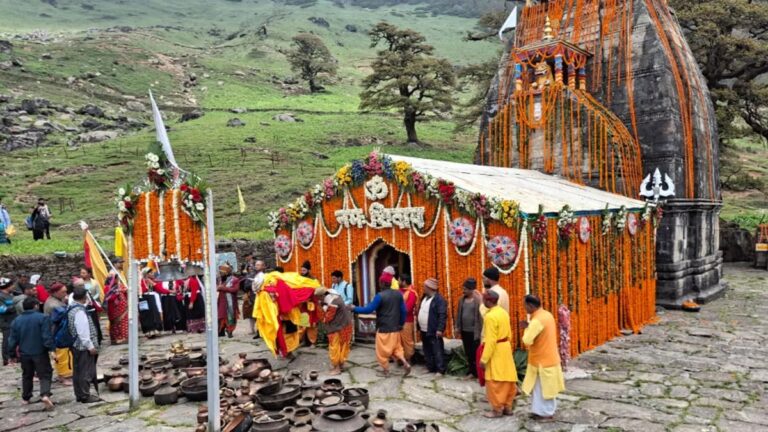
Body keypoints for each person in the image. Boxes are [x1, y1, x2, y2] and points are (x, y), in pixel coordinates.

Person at [352, 272, 411, 377]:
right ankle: (405, 362)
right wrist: (401, 324)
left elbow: (368, 309)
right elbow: (404, 311)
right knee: (397, 348)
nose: (379, 284)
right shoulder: (398, 294)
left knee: (382, 352)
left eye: (380, 282)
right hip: (395, 328)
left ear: (383, 283)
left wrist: (354, 308)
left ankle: (386, 371)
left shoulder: (380, 296)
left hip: (383, 329)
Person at [521, 295, 565, 421]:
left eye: (525, 305)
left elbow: (527, 340)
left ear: (530, 306)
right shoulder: (547, 314)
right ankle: (538, 411)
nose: (524, 308)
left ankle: (546, 413)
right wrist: (529, 326)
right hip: (548, 358)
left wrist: (526, 328)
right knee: (540, 388)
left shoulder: (536, 321)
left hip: (542, 361)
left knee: (544, 389)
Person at [8, 297, 55, 410]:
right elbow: (46, 336)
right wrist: (51, 349)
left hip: (24, 353)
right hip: (39, 352)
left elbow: (12, 339)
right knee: (45, 374)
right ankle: (44, 394)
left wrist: (11, 354)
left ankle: (26, 397)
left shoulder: (17, 320)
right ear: (35, 306)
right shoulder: (42, 318)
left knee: (27, 375)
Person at [480, 290, 517, 418]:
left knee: (493, 381)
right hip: (505, 347)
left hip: (495, 350)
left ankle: (497, 409)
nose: (482, 301)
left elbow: (490, 340)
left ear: (488, 301)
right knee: (508, 378)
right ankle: (508, 407)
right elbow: (510, 334)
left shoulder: (490, 317)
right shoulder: (503, 313)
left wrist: (484, 359)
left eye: (483, 299)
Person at [68, 287, 100, 403]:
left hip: (76, 345)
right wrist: (90, 346)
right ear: (84, 297)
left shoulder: (71, 308)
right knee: (85, 371)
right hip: (82, 346)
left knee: (78, 371)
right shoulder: (79, 312)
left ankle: (79, 394)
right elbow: (83, 332)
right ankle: (85, 395)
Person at [317, 287, 353, 375]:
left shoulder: (333, 303)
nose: (318, 300)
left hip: (337, 328)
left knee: (335, 348)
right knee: (343, 346)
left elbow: (327, 318)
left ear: (322, 296)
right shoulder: (336, 295)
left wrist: (320, 308)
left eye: (318, 298)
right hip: (346, 325)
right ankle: (341, 365)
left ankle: (337, 368)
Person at [43, 282, 73, 384]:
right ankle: (63, 377)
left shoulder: (56, 300)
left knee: (65, 354)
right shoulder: (53, 305)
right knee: (61, 355)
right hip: (57, 332)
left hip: (60, 331)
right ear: (55, 292)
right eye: (63, 292)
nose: (65, 293)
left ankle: (66, 374)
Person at [417, 278, 447, 376]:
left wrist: (440, 329)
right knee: (427, 349)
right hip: (424, 329)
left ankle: (440, 370)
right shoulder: (424, 297)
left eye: (424, 287)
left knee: (437, 350)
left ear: (430, 288)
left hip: (434, 329)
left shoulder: (439, 300)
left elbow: (442, 315)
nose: (423, 289)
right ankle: (430, 367)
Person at [455, 277, 483, 379]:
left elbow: (480, 317)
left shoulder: (478, 300)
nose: (463, 290)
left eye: (465, 289)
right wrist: (457, 327)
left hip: (474, 332)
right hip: (464, 330)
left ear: (471, 289)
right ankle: (471, 370)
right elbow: (458, 314)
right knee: (468, 352)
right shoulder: (461, 300)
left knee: (474, 352)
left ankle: (476, 372)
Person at [104, 271, 128, 344]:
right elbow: (109, 299)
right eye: (116, 279)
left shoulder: (119, 286)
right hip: (114, 309)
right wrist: (116, 293)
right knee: (116, 324)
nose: (118, 281)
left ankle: (124, 337)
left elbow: (125, 292)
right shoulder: (107, 288)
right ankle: (117, 338)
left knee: (124, 322)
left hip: (123, 308)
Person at [243, 260, 266, 339]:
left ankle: (261, 331)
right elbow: (246, 285)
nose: (257, 266)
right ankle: (258, 331)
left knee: (261, 315)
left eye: (259, 265)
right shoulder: (253, 275)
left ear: (263, 266)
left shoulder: (263, 275)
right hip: (253, 297)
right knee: (255, 315)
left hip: (261, 297)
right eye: (256, 265)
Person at [298, 261, 319, 346]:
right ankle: (301, 340)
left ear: (308, 270)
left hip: (311, 305)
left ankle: (313, 342)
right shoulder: (298, 279)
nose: (302, 272)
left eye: (304, 270)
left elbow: (317, 291)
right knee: (303, 323)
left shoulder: (313, 280)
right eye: (301, 270)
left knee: (312, 324)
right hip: (302, 306)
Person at [398, 274, 418, 362]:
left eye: (399, 280)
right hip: (397, 321)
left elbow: (408, 309)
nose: (397, 282)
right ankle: (400, 359)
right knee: (398, 341)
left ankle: (408, 359)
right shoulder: (398, 291)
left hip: (407, 321)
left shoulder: (412, 293)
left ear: (404, 282)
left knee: (407, 342)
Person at [217, 263, 240, 338]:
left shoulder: (235, 279)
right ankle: (221, 331)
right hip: (221, 301)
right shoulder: (220, 280)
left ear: (226, 272)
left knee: (230, 316)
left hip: (231, 302)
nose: (220, 274)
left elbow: (235, 290)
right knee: (221, 316)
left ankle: (230, 330)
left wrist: (223, 288)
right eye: (220, 272)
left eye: (222, 272)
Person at [139, 268, 163, 337]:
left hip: (151, 298)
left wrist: (153, 283)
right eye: (150, 273)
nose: (152, 274)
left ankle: (155, 329)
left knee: (154, 313)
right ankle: (148, 331)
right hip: (144, 298)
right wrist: (146, 284)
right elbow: (141, 290)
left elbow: (158, 288)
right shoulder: (141, 281)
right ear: (146, 274)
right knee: (147, 314)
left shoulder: (152, 281)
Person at [0, 277, 17, 365]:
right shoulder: (0, 296)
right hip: (6, 321)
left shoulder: (11, 295)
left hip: (13, 320)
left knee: (14, 339)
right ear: (7, 286)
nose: (13, 286)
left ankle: (14, 356)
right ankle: (6, 359)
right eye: (11, 285)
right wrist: (15, 306)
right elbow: (2, 309)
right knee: (7, 340)